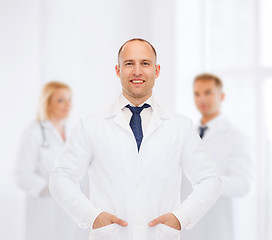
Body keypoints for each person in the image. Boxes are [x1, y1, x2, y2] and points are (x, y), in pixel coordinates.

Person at [49, 39, 223, 240]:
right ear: (118, 70)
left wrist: (181, 217)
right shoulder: (91, 124)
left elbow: (210, 179)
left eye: (145, 63)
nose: (137, 71)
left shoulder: (180, 126)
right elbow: (61, 177)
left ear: (157, 71)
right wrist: (92, 216)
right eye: (129, 63)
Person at [181, 73, 252, 240]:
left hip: (217, 225)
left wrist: (208, 182)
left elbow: (243, 184)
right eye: (197, 94)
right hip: (187, 224)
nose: (202, 99)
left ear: (222, 96)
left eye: (208, 92)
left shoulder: (236, 136)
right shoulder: (188, 133)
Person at [15, 81, 89, 240]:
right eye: (61, 100)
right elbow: (22, 176)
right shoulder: (33, 132)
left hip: (71, 210)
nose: (68, 104)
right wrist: (53, 188)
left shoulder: (73, 132)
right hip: (45, 210)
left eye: (69, 99)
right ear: (47, 103)